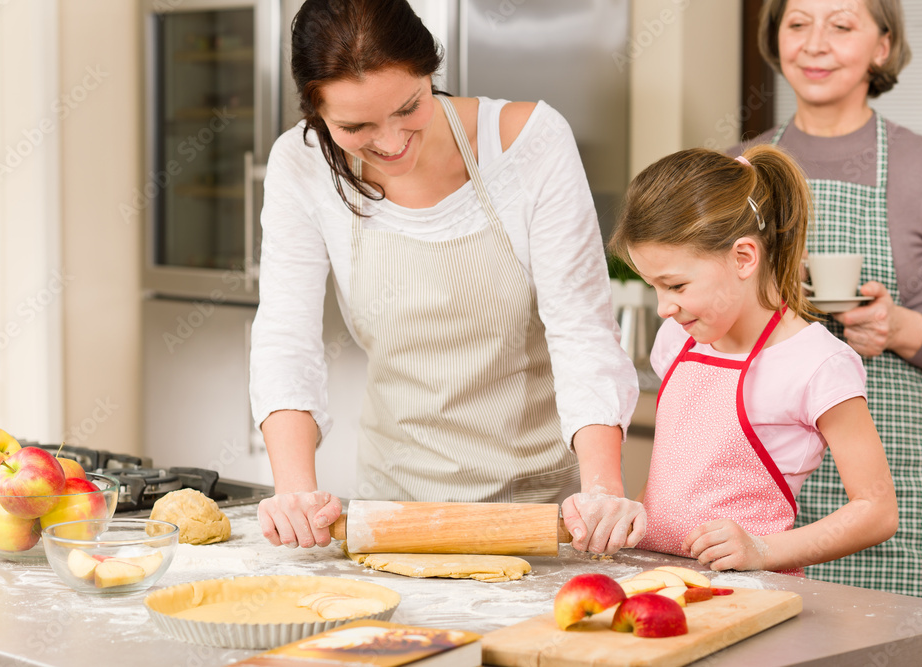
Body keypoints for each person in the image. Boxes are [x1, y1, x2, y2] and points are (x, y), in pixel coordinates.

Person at [249, 0, 642, 554]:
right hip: (391, 513)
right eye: (355, 126)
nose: (390, 143)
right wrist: (293, 491)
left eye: (410, 107)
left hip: (540, 514)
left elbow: (582, 330)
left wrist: (603, 490)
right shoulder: (301, 164)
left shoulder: (530, 143)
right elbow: (285, 338)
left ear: (431, 70)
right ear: (315, 112)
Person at [731, 0, 922, 598]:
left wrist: (900, 328)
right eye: (797, 24)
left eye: (841, 25)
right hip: (763, 459)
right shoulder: (739, 169)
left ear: (882, 45)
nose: (814, 44)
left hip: (888, 466)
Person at [608, 145, 898, 574]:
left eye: (676, 285)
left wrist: (762, 550)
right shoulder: (676, 340)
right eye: (653, 286)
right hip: (656, 575)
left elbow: (877, 510)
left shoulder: (816, 363)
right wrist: (629, 514)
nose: (663, 308)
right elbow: (678, 480)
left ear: (744, 257)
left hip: (748, 595)